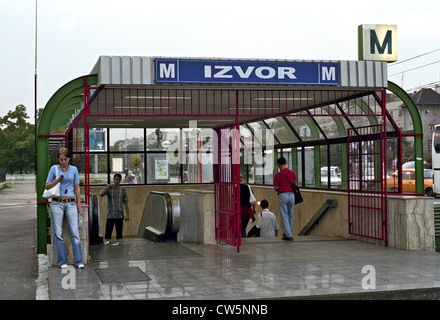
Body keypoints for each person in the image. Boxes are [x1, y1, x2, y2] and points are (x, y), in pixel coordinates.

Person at [45, 147, 84, 269]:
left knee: (75, 232)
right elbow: (47, 186)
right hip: (57, 203)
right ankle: (62, 262)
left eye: (65, 159)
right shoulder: (54, 169)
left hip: (71, 202)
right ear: (58, 159)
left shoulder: (74, 169)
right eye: (61, 159)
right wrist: (57, 180)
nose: (63, 161)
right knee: (58, 233)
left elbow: (77, 187)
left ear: (69, 159)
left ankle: (79, 261)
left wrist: (78, 204)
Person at [99, 173, 130, 245]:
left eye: (119, 180)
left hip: (119, 215)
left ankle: (119, 249)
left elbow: (126, 202)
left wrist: (127, 215)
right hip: (110, 215)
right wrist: (107, 186)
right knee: (108, 235)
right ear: (113, 179)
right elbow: (101, 194)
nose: (117, 181)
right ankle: (107, 248)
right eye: (116, 179)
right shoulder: (110, 189)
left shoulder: (122, 190)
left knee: (119, 235)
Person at [273, 157, 297, 241]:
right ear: (285, 163)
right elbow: (294, 184)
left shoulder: (278, 175)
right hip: (292, 195)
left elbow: (275, 187)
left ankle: (289, 234)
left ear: (279, 164)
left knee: (284, 215)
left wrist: (279, 188)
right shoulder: (292, 173)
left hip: (283, 195)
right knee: (290, 215)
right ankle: (288, 233)